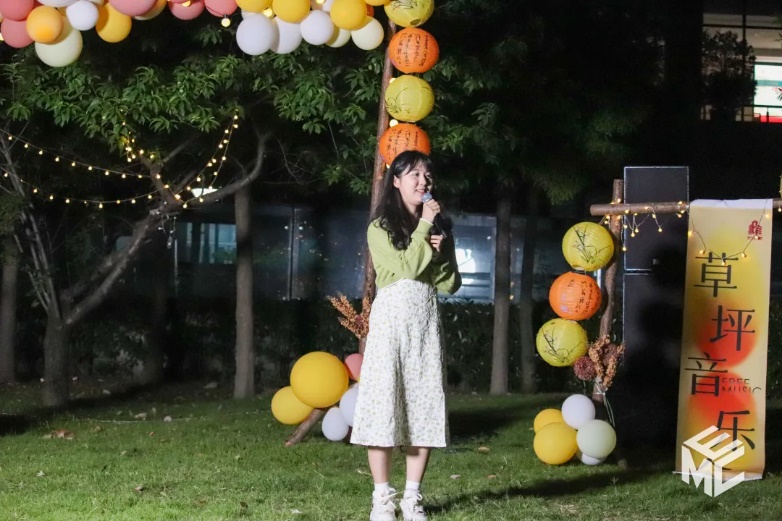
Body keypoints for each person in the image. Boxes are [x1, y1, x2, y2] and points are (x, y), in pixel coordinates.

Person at [350, 150, 461, 521]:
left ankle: (412, 498)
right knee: (383, 407)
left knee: (422, 407)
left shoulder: (436, 227)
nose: (423, 181)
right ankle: (382, 498)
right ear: (396, 182)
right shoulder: (380, 228)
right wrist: (425, 227)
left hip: (425, 325)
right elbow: (406, 269)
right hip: (391, 324)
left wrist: (444, 253)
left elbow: (449, 285)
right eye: (414, 174)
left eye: (427, 175)